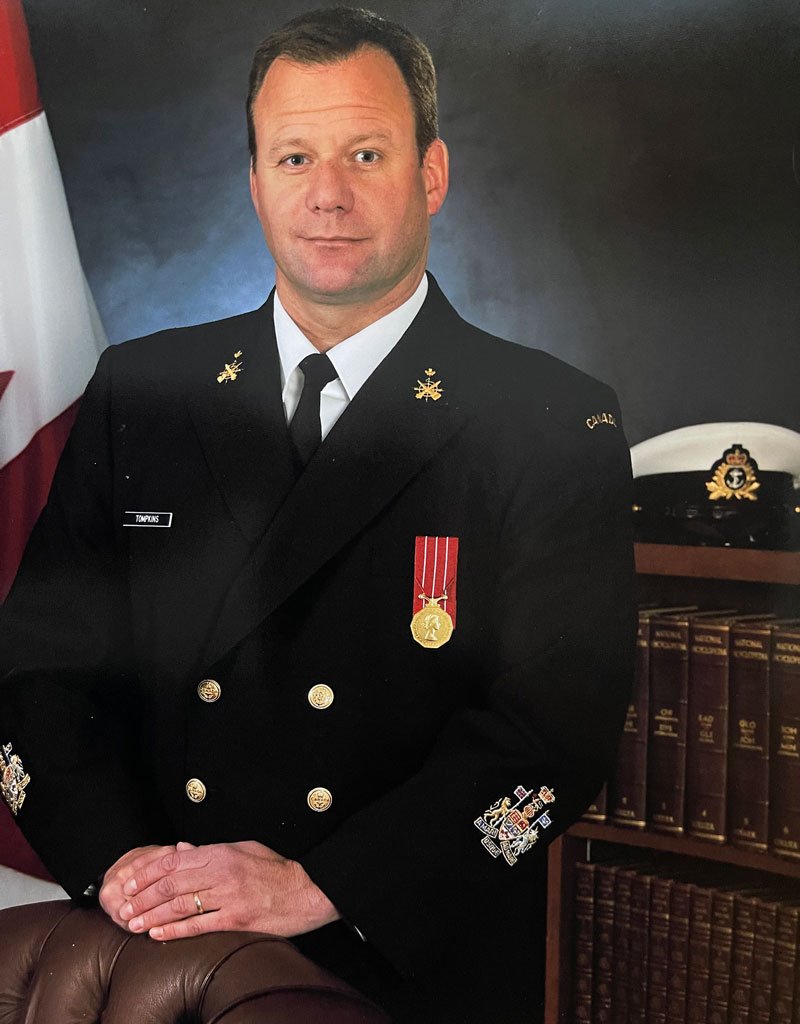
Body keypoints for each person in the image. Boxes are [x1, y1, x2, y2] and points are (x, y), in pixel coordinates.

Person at [0, 8, 636, 1020]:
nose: (327, 194)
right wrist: (118, 865)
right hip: (149, 956)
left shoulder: (552, 417)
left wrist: (320, 885)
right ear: (253, 182)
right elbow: (33, 669)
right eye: (293, 156)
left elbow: (552, 747)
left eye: (365, 153)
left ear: (430, 174)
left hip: (404, 964)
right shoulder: (142, 392)